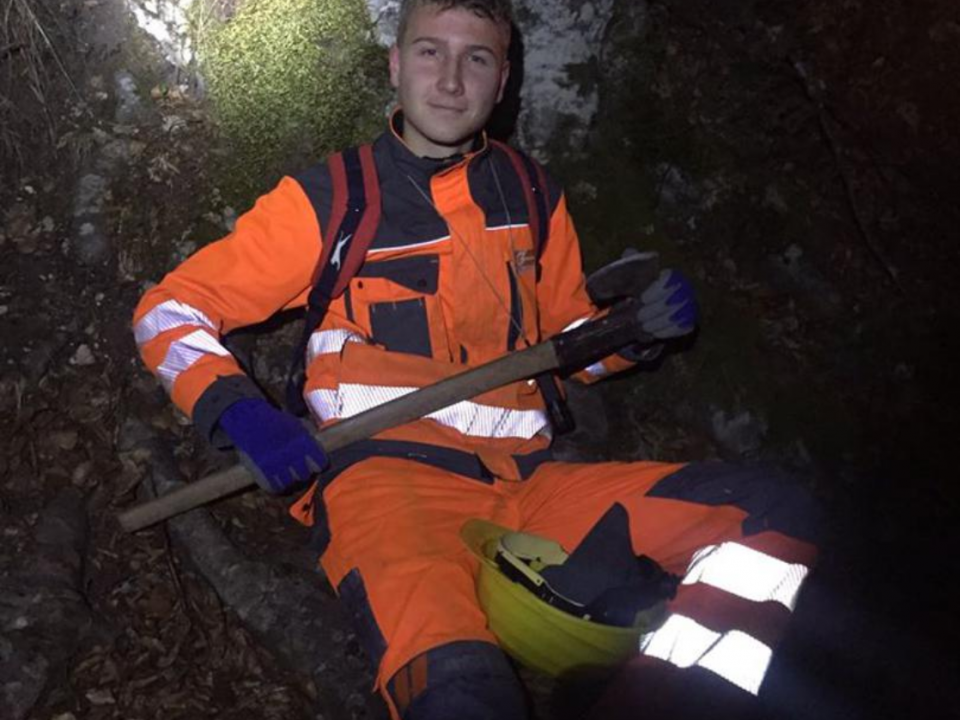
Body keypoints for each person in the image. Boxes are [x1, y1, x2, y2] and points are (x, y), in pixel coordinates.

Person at [132, 1, 820, 718]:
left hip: (531, 488)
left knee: (772, 514)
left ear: (503, 80)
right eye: (431, 52)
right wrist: (238, 412)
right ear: (395, 65)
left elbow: (567, 349)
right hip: (386, 488)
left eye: (477, 58)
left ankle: (668, 699)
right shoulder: (334, 199)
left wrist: (631, 333)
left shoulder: (531, 194)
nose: (452, 80)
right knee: (460, 695)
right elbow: (169, 309)